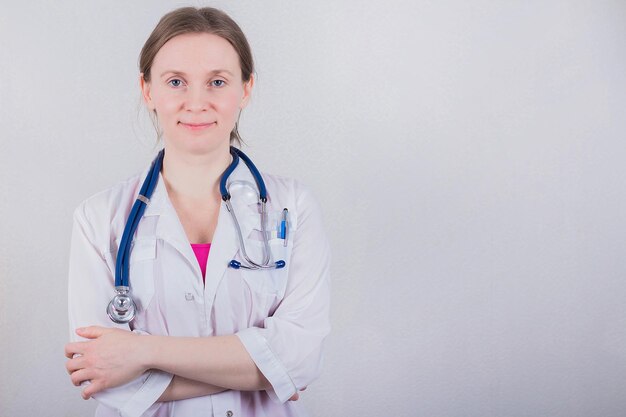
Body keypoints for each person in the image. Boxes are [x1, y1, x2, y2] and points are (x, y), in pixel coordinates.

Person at [64, 7, 331, 417]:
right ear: (147, 90)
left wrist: (143, 351)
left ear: (245, 89)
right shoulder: (99, 218)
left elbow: (302, 357)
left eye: (217, 82)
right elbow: (102, 377)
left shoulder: (293, 207)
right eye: (176, 82)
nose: (196, 102)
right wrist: (267, 370)